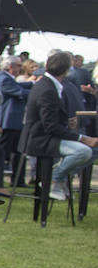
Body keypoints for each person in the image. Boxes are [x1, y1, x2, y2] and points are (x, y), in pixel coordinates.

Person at [19, 50, 98, 201]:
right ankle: (55, 179)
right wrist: (82, 138)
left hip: (42, 136)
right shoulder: (48, 89)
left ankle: (59, 175)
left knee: (91, 151)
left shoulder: (46, 84)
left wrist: (66, 122)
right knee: (84, 151)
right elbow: (50, 127)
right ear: (67, 70)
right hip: (40, 140)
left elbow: (48, 120)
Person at [0, 55, 31, 187]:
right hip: (9, 121)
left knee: (18, 151)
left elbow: (18, 85)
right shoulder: (4, 79)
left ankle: (18, 180)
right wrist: (37, 90)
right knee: (3, 152)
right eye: (18, 66)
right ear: (11, 67)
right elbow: (19, 91)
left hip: (13, 121)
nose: (20, 68)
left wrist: (33, 84)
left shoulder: (6, 78)